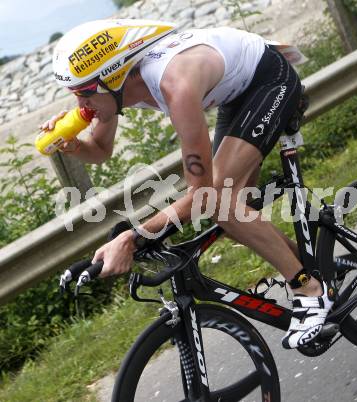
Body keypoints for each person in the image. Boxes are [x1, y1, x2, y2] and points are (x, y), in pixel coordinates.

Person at [43, 19, 333, 348]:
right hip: (234, 95)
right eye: (75, 95)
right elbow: (100, 151)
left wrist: (133, 238)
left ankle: (309, 289)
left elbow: (203, 194)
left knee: (219, 202)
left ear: (114, 76)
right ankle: (316, 270)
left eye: (84, 94)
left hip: (269, 81)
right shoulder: (112, 91)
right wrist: (74, 145)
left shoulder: (175, 86)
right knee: (230, 206)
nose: (80, 106)